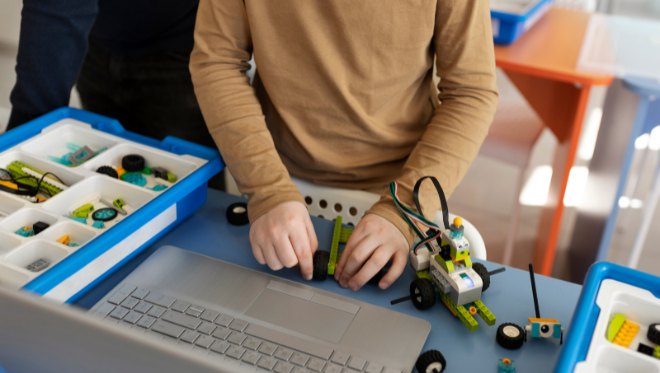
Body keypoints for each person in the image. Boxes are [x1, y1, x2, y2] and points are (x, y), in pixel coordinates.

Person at [190, 1, 498, 291]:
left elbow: (471, 92)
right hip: (274, 185)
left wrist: (404, 209)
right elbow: (217, 61)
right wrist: (267, 189)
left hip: (396, 192)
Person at [6, 0, 213, 150]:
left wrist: (23, 137)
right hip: (96, 42)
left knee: (195, 189)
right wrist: (24, 137)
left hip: (185, 51)